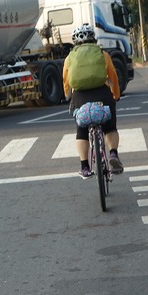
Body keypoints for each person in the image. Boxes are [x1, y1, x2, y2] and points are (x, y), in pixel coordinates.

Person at [62, 24, 123, 179]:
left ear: (75, 42)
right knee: (110, 128)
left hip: (80, 97)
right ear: (93, 38)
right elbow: (113, 77)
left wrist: (69, 96)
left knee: (81, 131)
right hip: (102, 94)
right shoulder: (102, 54)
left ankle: (84, 167)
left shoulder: (69, 58)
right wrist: (115, 95)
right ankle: (113, 154)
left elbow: (66, 80)